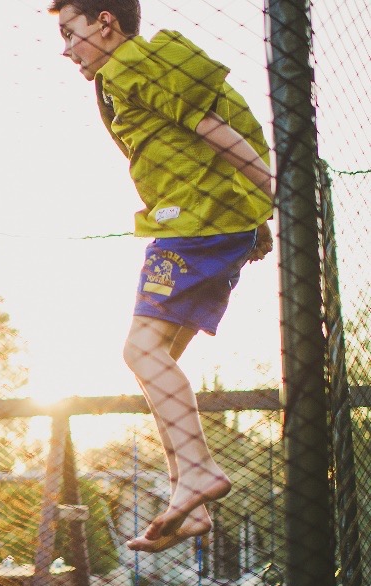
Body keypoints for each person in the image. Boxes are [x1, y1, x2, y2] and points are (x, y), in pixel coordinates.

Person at [49, 0, 274, 552]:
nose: (66, 49)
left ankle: (197, 474)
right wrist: (254, 220)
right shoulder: (120, 80)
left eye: (70, 32)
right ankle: (188, 496)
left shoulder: (136, 66)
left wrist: (273, 200)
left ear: (105, 22)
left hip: (194, 226)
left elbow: (215, 130)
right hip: (213, 223)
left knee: (141, 351)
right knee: (157, 356)